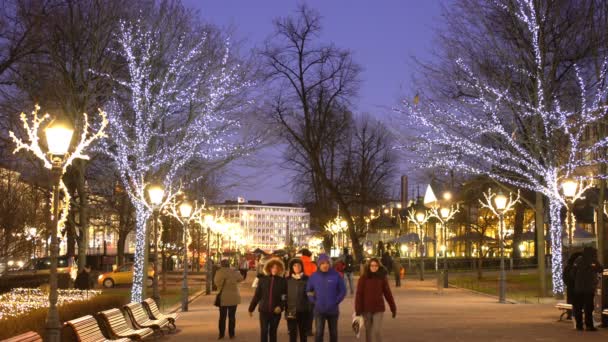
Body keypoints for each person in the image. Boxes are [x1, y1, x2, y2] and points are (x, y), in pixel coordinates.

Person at [306, 253, 346, 342]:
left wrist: (335, 302)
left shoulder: (336, 275)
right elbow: (309, 291)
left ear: (330, 264)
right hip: (319, 310)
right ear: (319, 264)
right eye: (323, 263)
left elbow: (343, 291)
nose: (325, 265)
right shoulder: (314, 276)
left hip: (333, 310)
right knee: (319, 333)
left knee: (333, 333)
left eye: (327, 263)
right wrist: (314, 301)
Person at [355, 258, 396, 342]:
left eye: (376, 266)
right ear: (369, 266)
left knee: (377, 330)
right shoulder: (363, 278)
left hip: (378, 309)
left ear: (379, 266)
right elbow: (359, 294)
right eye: (372, 265)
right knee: (368, 331)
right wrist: (358, 309)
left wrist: (393, 307)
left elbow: (388, 293)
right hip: (366, 309)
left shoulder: (382, 278)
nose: (374, 267)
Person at [249, 258, 287, 342]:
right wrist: (251, 308)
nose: (275, 269)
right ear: (269, 268)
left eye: (277, 268)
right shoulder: (263, 280)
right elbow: (257, 295)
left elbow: (284, 297)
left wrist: (281, 307)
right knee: (264, 331)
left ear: (280, 269)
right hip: (264, 310)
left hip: (276, 312)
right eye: (273, 267)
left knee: (273, 332)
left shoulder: (283, 281)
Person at [571, 247, 603, 331]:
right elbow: (600, 269)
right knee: (588, 307)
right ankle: (589, 326)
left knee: (578, 307)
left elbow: (573, 273)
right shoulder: (593, 260)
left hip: (578, 288)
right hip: (589, 288)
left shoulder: (578, 260)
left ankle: (579, 325)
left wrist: (576, 281)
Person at [214, 259, 244, 339]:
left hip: (223, 297)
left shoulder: (219, 272)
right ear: (229, 264)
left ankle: (221, 334)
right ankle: (232, 334)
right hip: (234, 297)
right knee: (232, 316)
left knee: (222, 317)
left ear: (221, 265)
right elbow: (241, 278)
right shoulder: (234, 271)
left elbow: (216, 282)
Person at [286, 258, 312, 342]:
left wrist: (309, 307)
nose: (297, 267)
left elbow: (311, 294)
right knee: (292, 334)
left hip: (304, 310)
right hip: (291, 311)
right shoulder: (287, 280)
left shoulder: (307, 279)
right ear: (291, 268)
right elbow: (283, 295)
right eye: (294, 265)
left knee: (303, 334)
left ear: (302, 267)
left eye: (299, 265)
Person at [300, 248, 317, 336]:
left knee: (299, 309)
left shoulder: (297, 263)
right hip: (310, 289)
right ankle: (308, 329)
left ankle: (298, 328)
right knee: (310, 310)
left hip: (299, 289)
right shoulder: (312, 265)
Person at [563, 252, 582, 320]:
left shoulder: (568, 266)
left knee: (571, 301)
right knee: (575, 301)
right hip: (575, 287)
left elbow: (565, 277)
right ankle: (573, 314)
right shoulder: (575, 267)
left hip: (570, 287)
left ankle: (570, 314)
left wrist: (569, 284)